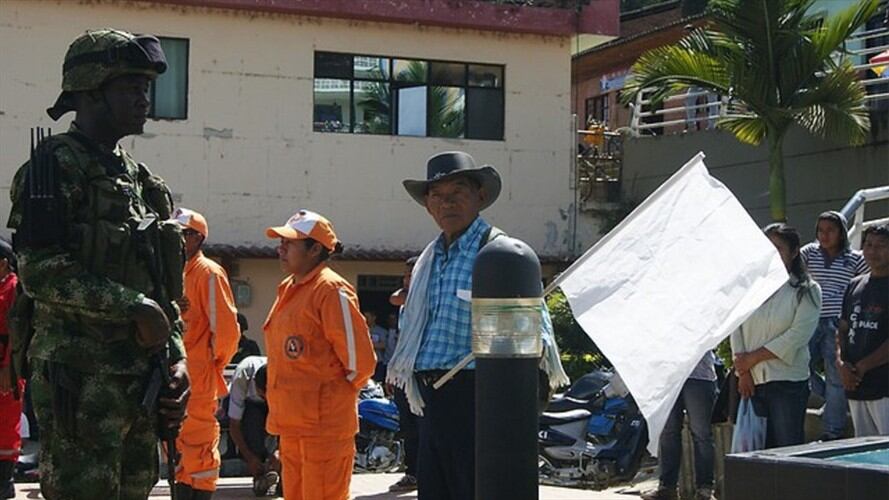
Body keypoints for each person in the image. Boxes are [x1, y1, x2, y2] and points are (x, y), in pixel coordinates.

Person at [6, 28, 190, 498]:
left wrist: (177, 359)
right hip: (79, 379)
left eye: (146, 87)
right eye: (131, 87)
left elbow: (165, 289)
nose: (144, 99)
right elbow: (39, 269)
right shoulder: (54, 167)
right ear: (89, 91)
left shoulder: (144, 182)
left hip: (141, 380)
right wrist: (132, 306)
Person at [386, 151, 568, 500]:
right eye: (437, 196)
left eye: (458, 192)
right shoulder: (427, 260)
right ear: (427, 206)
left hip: (480, 398)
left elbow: (534, 338)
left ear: (480, 196)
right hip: (430, 399)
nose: (447, 203)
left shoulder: (499, 254)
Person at [263, 209, 376, 499]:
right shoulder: (289, 288)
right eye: (281, 242)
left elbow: (360, 363)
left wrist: (330, 397)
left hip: (324, 428)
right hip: (292, 424)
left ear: (315, 249)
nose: (281, 249)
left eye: (289, 243)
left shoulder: (331, 289)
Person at [731, 223, 821, 448]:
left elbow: (797, 335)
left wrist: (753, 358)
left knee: (787, 448)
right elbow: (736, 328)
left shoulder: (806, 290)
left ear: (794, 251)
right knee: (758, 452)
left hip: (787, 382)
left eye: (778, 248)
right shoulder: (749, 288)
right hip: (752, 381)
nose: (771, 253)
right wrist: (743, 371)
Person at [173, 208, 241, 498]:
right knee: (177, 444)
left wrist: (211, 365)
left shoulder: (208, 273)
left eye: (182, 234)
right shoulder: (174, 272)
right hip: (175, 373)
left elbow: (226, 331)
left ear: (197, 238)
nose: (175, 239)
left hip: (198, 377)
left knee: (198, 445)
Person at [801, 211, 868, 440]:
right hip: (810, 318)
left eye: (830, 230)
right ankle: (829, 399)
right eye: (821, 230)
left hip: (837, 322)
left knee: (835, 375)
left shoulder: (855, 259)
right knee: (801, 367)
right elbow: (791, 269)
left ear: (841, 232)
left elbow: (868, 283)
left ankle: (833, 431)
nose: (825, 235)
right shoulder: (809, 253)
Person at [641, 353, 718, 500]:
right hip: (668, 377)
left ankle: (705, 490)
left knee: (702, 435)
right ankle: (667, 488)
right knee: (668, 433)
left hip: (699, 375)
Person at [837, 223, 889, 436]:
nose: (873, 251)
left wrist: (863, 366)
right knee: (864, 451)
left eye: (881, 246)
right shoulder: (855, 285)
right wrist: (842, 363)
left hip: (884, 387)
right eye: (868, 245)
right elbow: (842, 328)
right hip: (857, 387)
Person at [387, 256, 419, 493]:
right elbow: (395, 297)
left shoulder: (425, 296)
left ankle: (426, 472)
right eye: (405, 275)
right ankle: (412, 472)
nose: (406, 280)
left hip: (422, 369)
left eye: (411, 275)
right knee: (408, 425)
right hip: (403, 369)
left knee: (424, 425)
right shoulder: (404, 302)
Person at [227, 355, 280, 496]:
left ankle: (281, 471)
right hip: (251, 408)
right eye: (263, 396)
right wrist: (249, 457)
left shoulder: (283, 377)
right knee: (253, 418)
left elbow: (291, 421)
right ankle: (259, 473)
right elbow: (234, 424)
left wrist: (281, 451)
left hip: (279, 408)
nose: (266, 399)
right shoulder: (242, 377)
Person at [0, 241, 21, 499]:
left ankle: (4, 481)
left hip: (6, 366)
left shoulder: (14, 288)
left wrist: (9, 368)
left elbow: (17, 332)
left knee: (5, 424)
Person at [366, 311, 389, 383]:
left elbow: (384, 345)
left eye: (368, 317)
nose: (366, 319)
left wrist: (369, 344)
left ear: (374, 317)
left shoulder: (381, 331)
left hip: (378, 362)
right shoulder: (361, 330)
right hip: (365, 362)